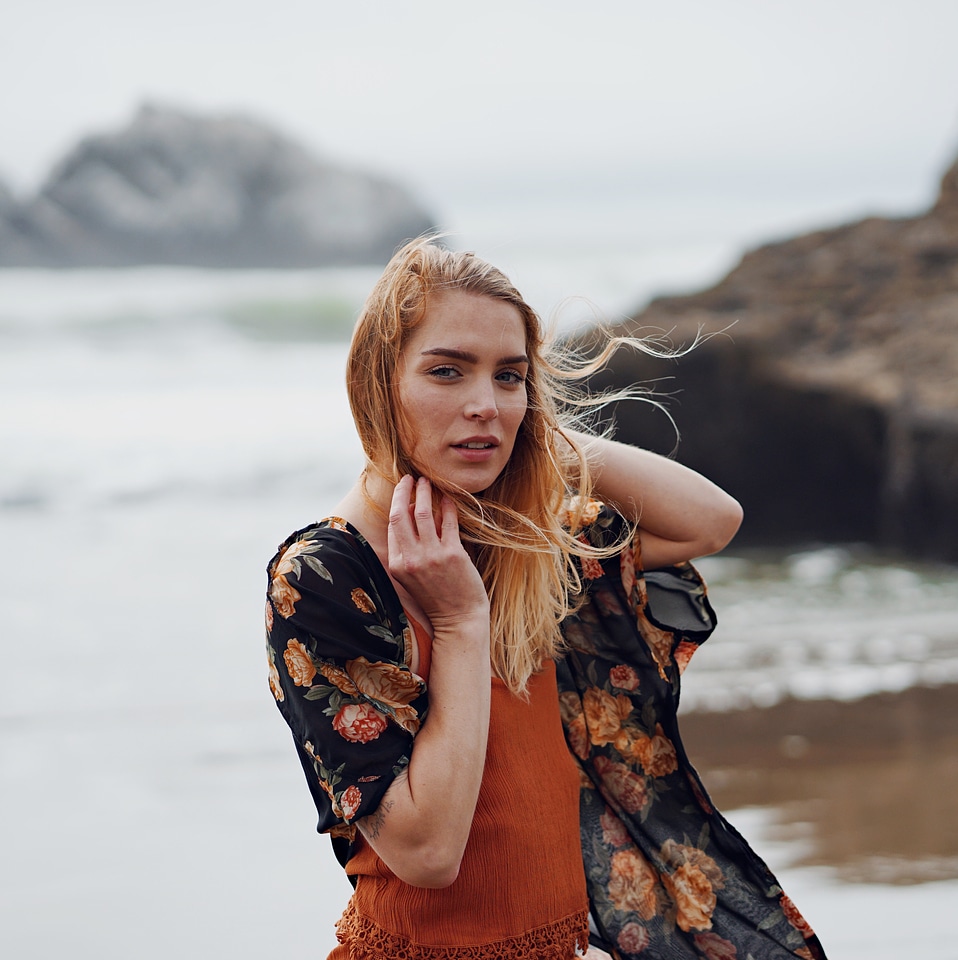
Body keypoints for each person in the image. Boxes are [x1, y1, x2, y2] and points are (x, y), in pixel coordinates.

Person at [265, 237, 828, 960]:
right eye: (446, 371)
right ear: (378, 383)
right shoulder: (323, 577)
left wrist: (533, 442)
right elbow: (428, 852)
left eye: (509, 377)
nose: (483, 404)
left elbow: (711, 520)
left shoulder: (516, 539)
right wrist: (461, 622)